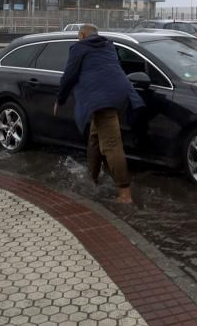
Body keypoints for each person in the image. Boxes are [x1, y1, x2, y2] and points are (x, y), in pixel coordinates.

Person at [56, 24, 144, 204]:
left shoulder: (79, 47)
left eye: (78, 36)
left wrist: (60, 99)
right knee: (95, 139)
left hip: (100, 100)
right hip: (120, 95)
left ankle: (124, 193)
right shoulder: (108, 45)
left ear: (81, 34)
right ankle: (92, 178)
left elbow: (69, 76)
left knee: (111, 144)